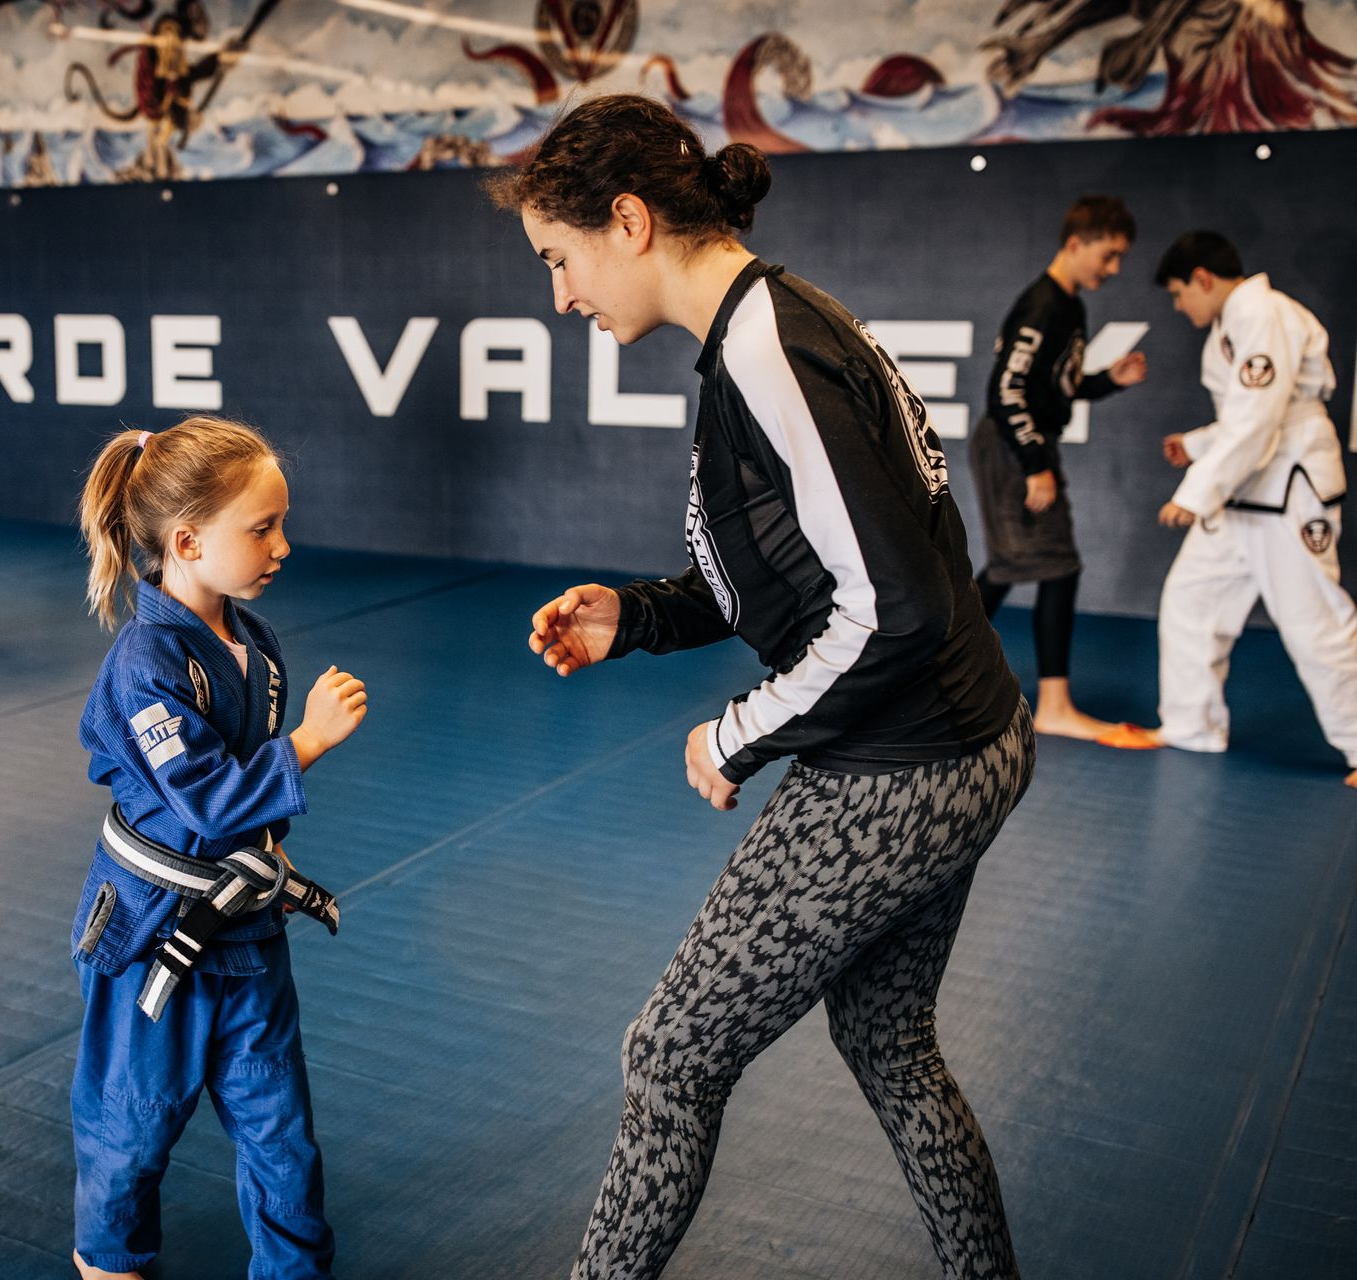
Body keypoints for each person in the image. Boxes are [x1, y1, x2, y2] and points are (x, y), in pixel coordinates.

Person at [492, 94, 1031, 1280]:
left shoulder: (766, 343)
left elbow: (894, 607)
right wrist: (633, 616)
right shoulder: (767, 322)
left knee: (670, 1056)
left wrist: (737, 733)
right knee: (886, 1035)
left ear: (626, 220)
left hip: (908, 762)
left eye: (559, 258)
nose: (561, 295)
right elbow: (799, 565)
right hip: (967, 737)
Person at [69, 416, 369, 1280]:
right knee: (131, 1123)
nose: (283, 545)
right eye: (263, 527)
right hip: (154, 934)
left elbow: (244, 815)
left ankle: (293, 1269)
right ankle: (110, 1262)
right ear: (189, 541)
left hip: (246, 933)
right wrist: (306, 744)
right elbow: (205, 801)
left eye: (282, 522)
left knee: (282, 1134)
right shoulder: (145, 663)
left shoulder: (255, 646)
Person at [1117, 231, 1357, 786]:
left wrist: (1193, 493)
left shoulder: (1264, 312)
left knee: (1313, 622)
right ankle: (1189, 725)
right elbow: (1246, 415)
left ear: (1203, 278)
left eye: (1180, 294)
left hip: (1289, 494)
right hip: (1246, 491)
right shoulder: (1235, 322)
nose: (1180, 307)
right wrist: (1198, 445)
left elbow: (1259, 419)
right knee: (1190, 601)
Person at [969, 196, 1149, 742]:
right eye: (1109, 254)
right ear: (1077, 243)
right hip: (1010, 446)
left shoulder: (1070, 306)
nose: (1114, 268)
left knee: (1007, 567)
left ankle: (923, 673)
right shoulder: (1042, 305)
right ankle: (1054, 706)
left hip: (1023, 444)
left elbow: (1057, 388)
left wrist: (1109, 380)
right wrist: (1035, 465)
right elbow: (1005, 390)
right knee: (1055, 565)